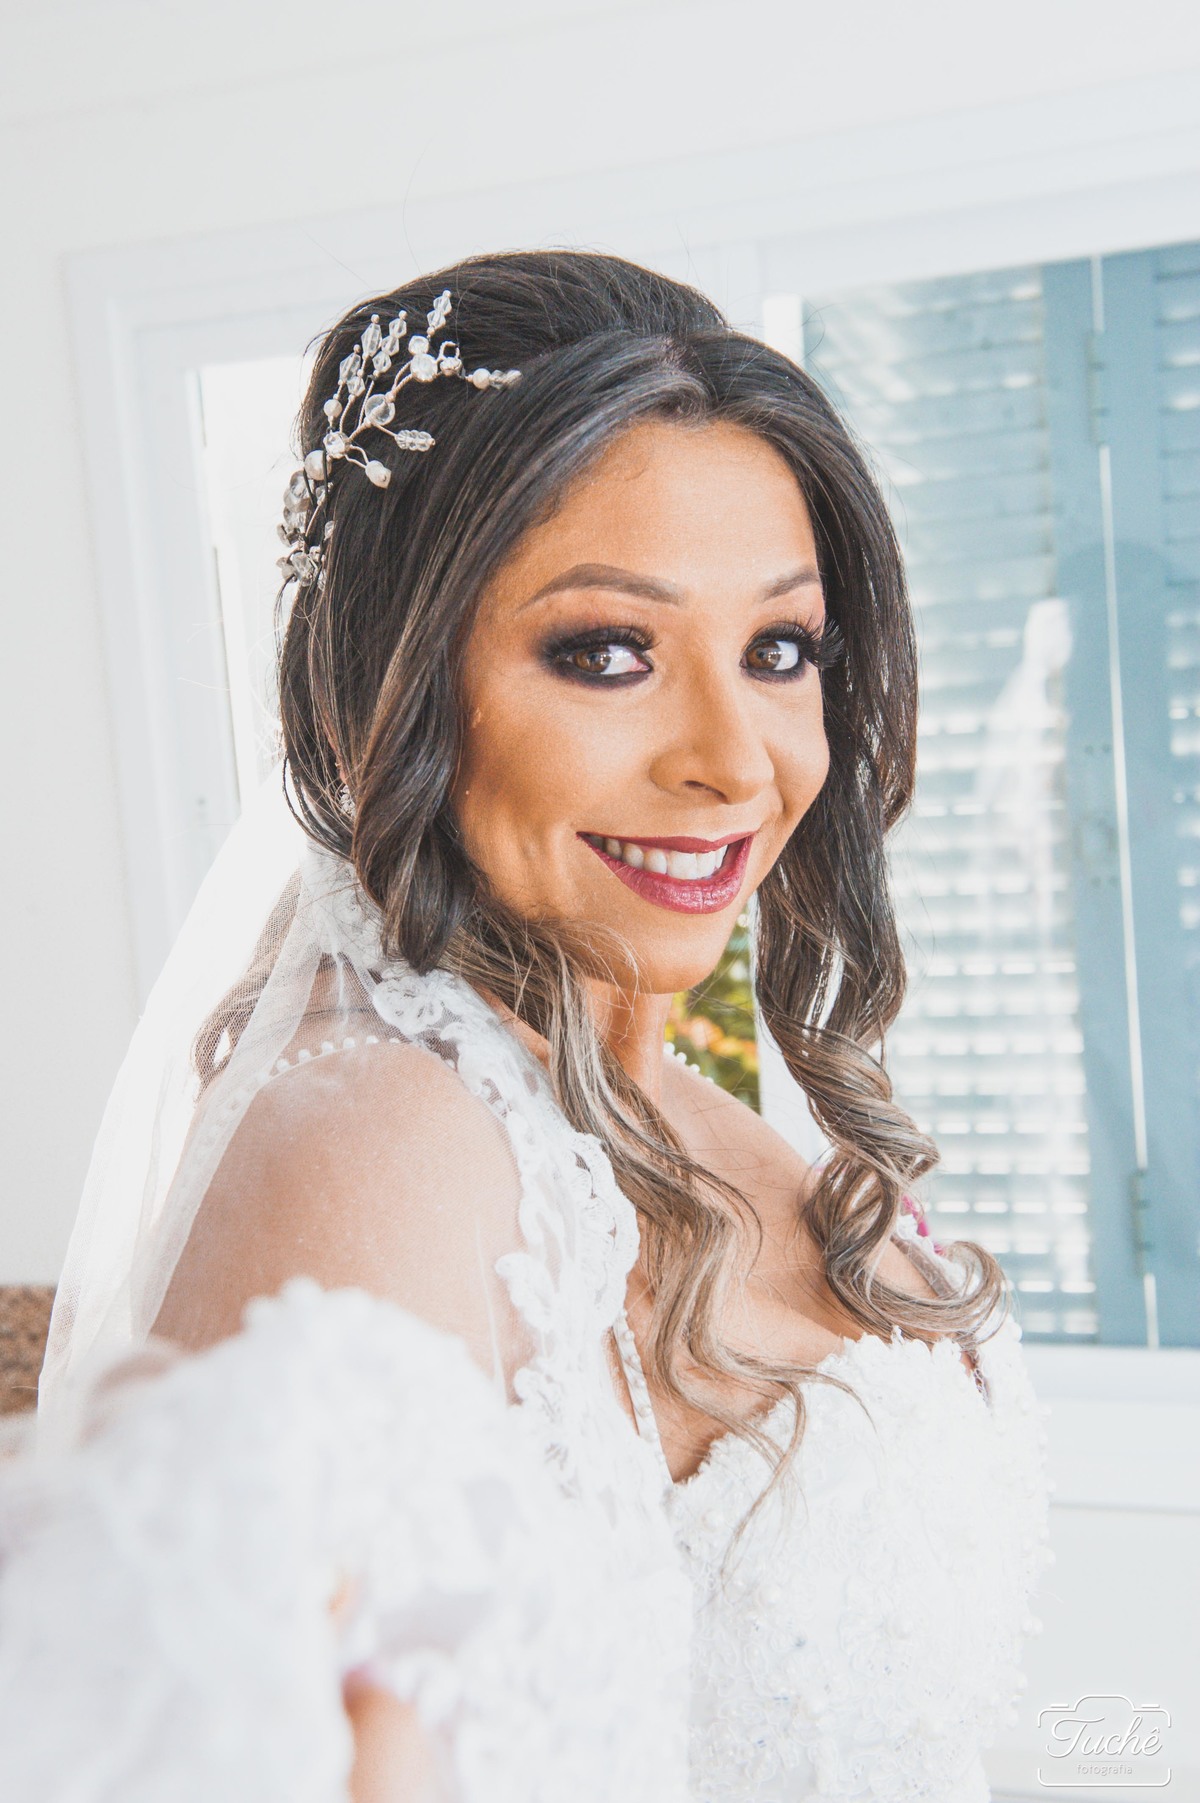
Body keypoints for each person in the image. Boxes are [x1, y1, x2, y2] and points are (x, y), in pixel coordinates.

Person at [0, 250, 1048, 1802]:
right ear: (392, 684)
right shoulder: (378, 1145)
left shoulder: (671, 1092)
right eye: (606, 653)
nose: (734, 759)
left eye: (779, 650)